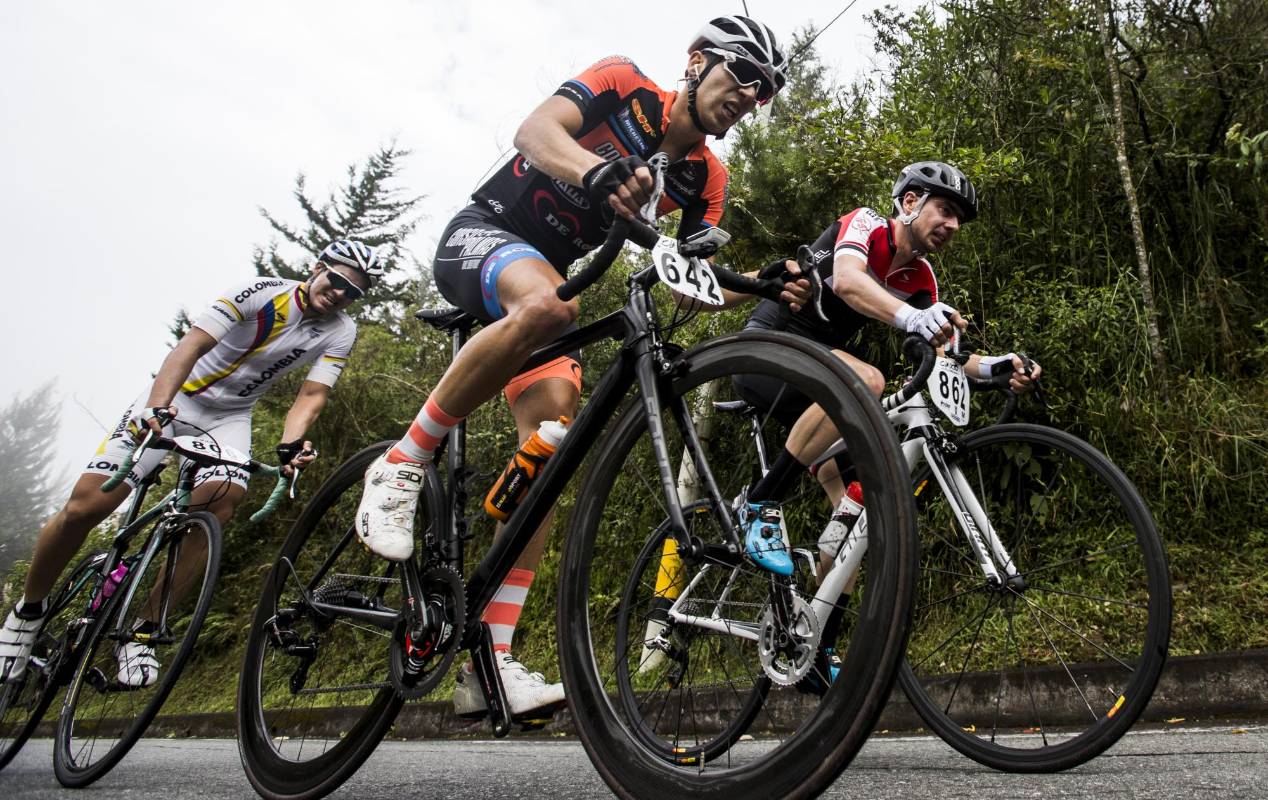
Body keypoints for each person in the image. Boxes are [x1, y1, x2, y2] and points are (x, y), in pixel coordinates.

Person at [354, 16, 804, 720]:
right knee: (548, 308)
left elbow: (693, 277)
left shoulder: (706, 176)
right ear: (695, 62)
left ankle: (489, 663)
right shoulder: (623, 82)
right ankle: (404, 460)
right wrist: (597, 173)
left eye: (765, 90)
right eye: (742, 73)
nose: (751, 94)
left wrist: (766, 282)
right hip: (485, 236)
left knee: (550, 452)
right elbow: (533, 134)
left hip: (547, 288)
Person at [0, 239, 379, 688]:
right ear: (317, 269)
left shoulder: (341, 331)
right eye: (336, 281)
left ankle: (141, 630)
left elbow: (312, 395)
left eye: (352, 292)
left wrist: (290, 445)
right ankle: (28, 613)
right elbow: (188, 349)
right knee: (85, 507)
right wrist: (157, 408)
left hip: (229, 416)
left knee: (222, 498)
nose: (339, 295)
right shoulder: (256, 292)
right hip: (176, 397)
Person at [732, 161, 1043, 578]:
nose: (954, 225)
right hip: (769, 347)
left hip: (822, 382)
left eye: (960, 220)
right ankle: (758, 504)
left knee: (851, 528)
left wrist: (996, 368)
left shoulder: (920, 278)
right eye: (946, 210)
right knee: (868, 379)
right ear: (911, 202)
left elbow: (944, 354)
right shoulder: (867, 225)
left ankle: (819, 636)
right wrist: (913, 318)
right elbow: (846, 280)